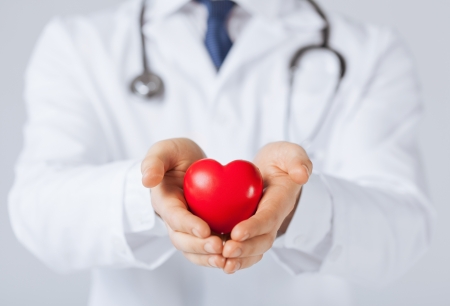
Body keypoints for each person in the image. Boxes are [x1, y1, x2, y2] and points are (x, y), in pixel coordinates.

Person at [8, 0, 435, 305]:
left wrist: (299, 208)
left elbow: (404, 231)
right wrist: (150, 196)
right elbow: (36, 212)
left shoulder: (371, 50)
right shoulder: (77, 43)